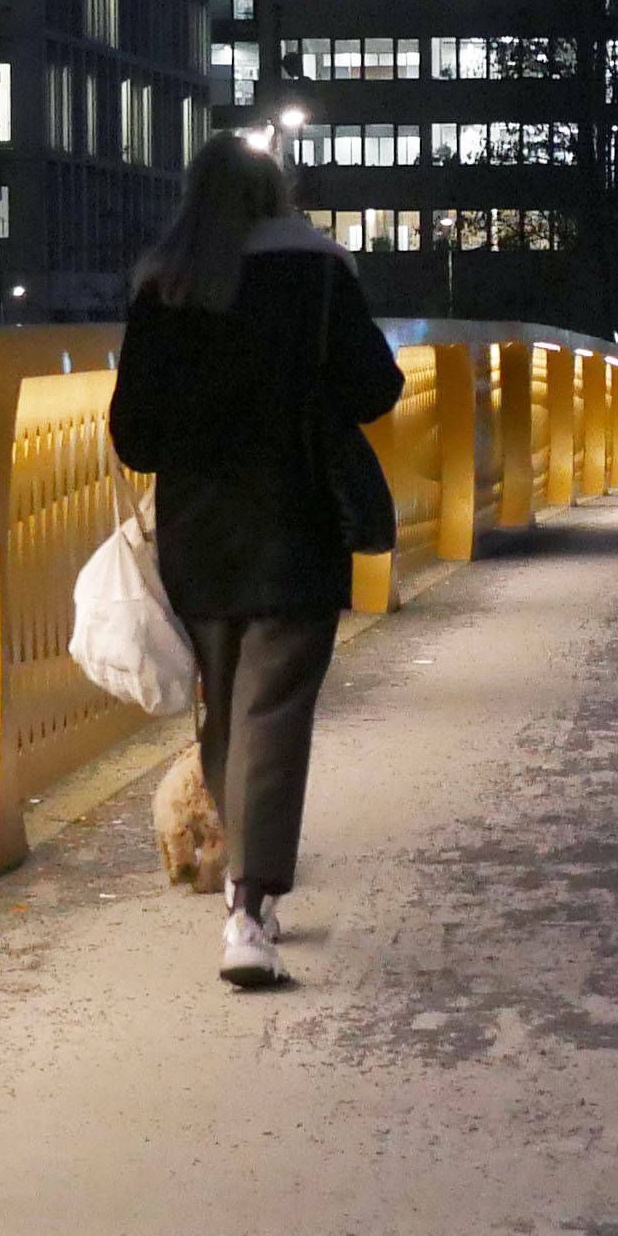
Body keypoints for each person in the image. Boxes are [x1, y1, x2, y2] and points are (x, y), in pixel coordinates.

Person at [109, 134, 404, 986]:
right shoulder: (315, 277)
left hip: (199, 537)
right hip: (297, 522)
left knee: (223, 713)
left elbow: (136, 434)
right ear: (276, 197)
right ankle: (248, 904)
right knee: (272, 712)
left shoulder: (165, 289)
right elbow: (375, 390)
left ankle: (243, 886)